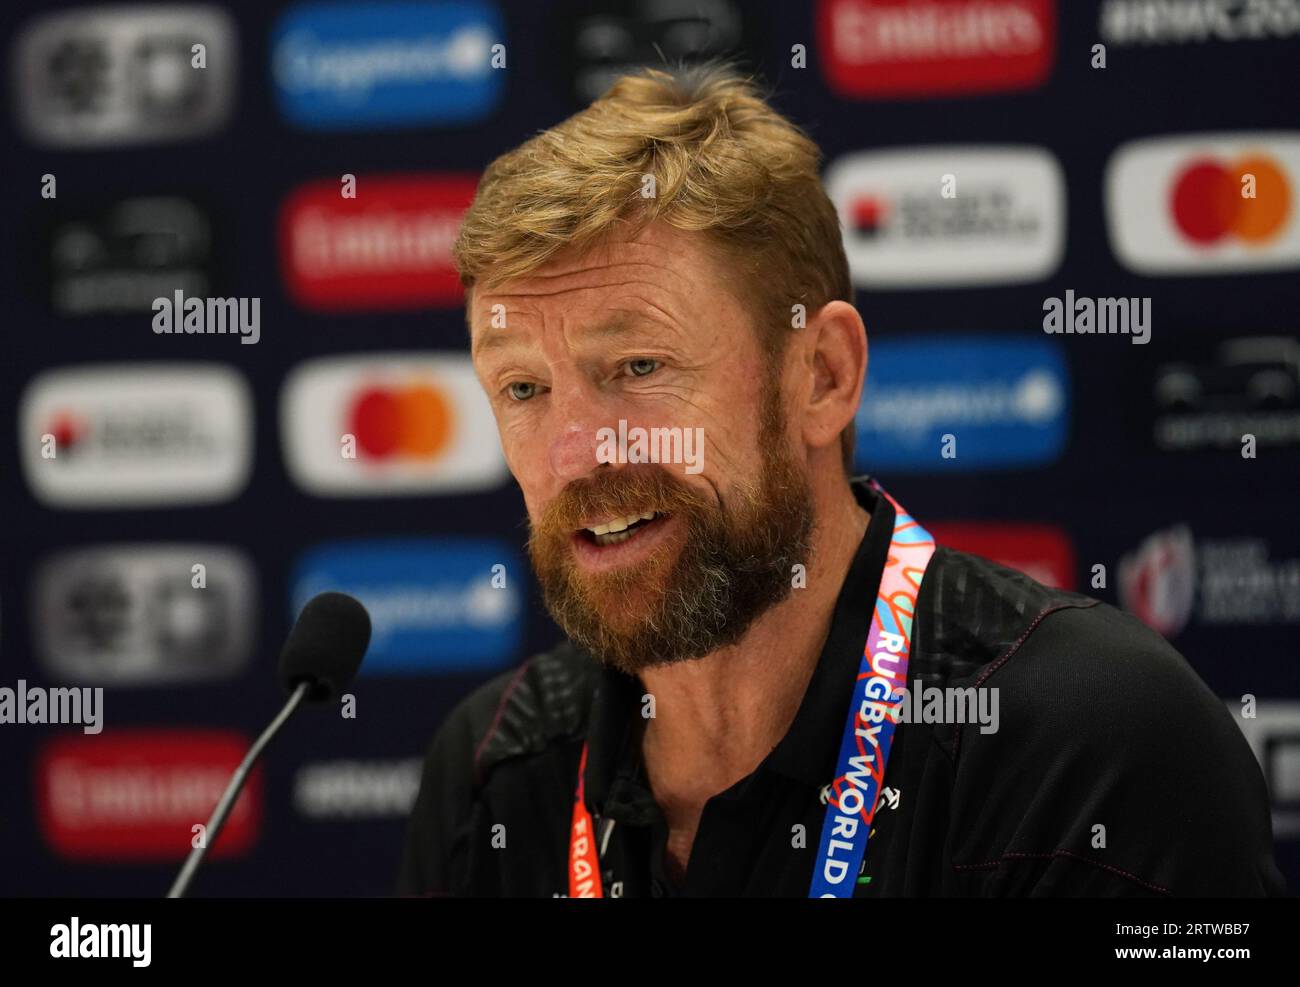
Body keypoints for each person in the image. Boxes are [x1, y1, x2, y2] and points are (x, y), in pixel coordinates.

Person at [397, 64, 1285, 897]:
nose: (576, 452)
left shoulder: (1093, 743)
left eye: (638, 365)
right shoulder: (495, 768)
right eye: (523, 388)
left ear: (822, 375)